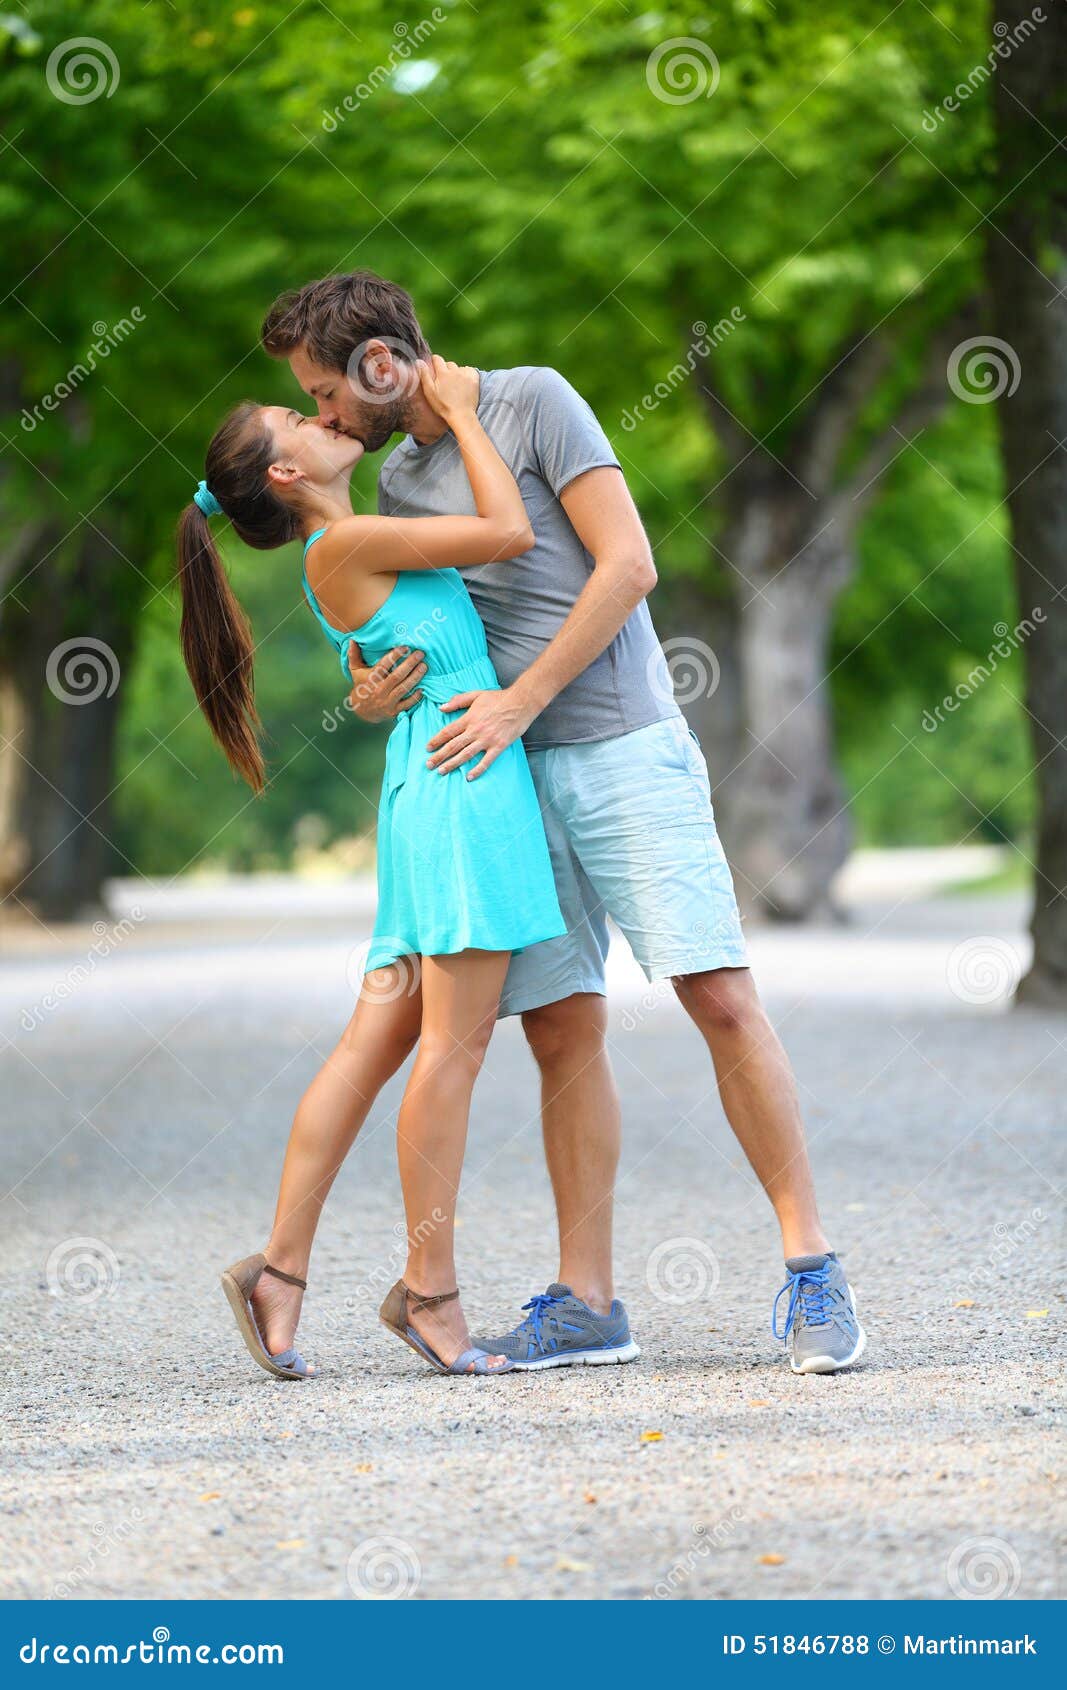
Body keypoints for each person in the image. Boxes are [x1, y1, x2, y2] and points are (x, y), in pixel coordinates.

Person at [262, 270, 867, 1377]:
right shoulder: (395, 472)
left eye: (323, 390)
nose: (323, 415)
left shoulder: (535, 400)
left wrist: (522, 699)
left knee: (719, 995)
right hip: (502, 781)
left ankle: (809, 1266)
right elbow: (419, 619)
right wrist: (368, 685)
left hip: (620, 742)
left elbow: (626, 563)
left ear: (380, 361)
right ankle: (588, 1300)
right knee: (560, 1032)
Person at [176, 357, 568, 1379]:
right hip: (459, 799)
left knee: (374, 1046)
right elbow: (508, 530)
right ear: (285, 475)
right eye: (291, 417)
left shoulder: (342, 546)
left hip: (427, 790)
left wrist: (367, 690)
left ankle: (279, 1273)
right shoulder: (345, 541)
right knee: (451, 1052)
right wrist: (461, 414)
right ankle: (429, 1293)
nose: (318, 412)